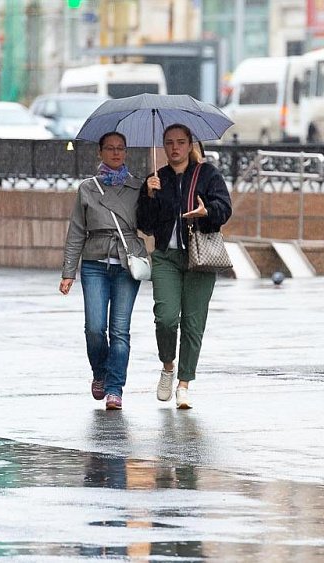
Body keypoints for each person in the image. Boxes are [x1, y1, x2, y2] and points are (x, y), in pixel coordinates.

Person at [137, 124, 232, 409]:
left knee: (193, 324)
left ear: (190, 144)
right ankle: (168, 367)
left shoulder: (208, 175)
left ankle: (184, 385)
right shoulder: (157, 179)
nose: (175, 148)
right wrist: (148, 196)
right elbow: (145, 224)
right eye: (169, 143)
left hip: (199, 257)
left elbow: (225, 209)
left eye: (180, 142)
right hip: (167, 256)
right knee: (165, 318)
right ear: (163, 147)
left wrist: (207, 212)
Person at [59, 132, 146, 410]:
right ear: (100, 152)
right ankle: (100, 372)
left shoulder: (138, 187)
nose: (116, 153)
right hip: (95, 262)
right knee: (95, 328)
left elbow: (151, 224)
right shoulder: (88, 188)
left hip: (125, 262)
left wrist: (154, 196)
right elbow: (76, 232)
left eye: (121, 148)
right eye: (110, 148)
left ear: (126, 152)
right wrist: (68, 271)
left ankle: (114, 388)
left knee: (120, 330)